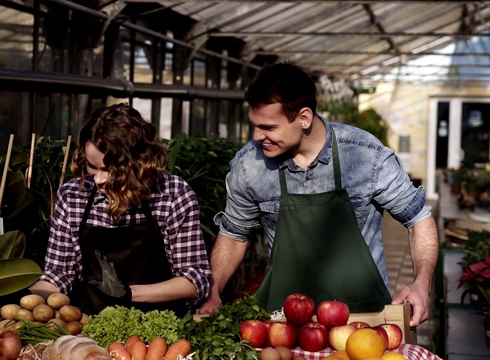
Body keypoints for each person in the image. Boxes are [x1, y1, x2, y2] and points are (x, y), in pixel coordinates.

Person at [198, 62, 438, 327]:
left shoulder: (365, 156)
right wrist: (213, 289)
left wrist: (421, 285)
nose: (257, 136)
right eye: (254, 125)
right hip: (282, 323)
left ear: (304, 118)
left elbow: (418, 219)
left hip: (363, 321)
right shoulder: (249, 166)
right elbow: (233, 234)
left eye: (268, 127)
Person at [30, 103, 212, 316]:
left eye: (109, 170)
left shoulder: (172, 194)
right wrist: (25, 296)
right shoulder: (73, 196)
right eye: (91, 166)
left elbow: (195, 279)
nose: (98, 179)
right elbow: (60, 274)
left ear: (137, 164)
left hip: (163, 331)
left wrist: (128, 293)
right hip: (93, 327)